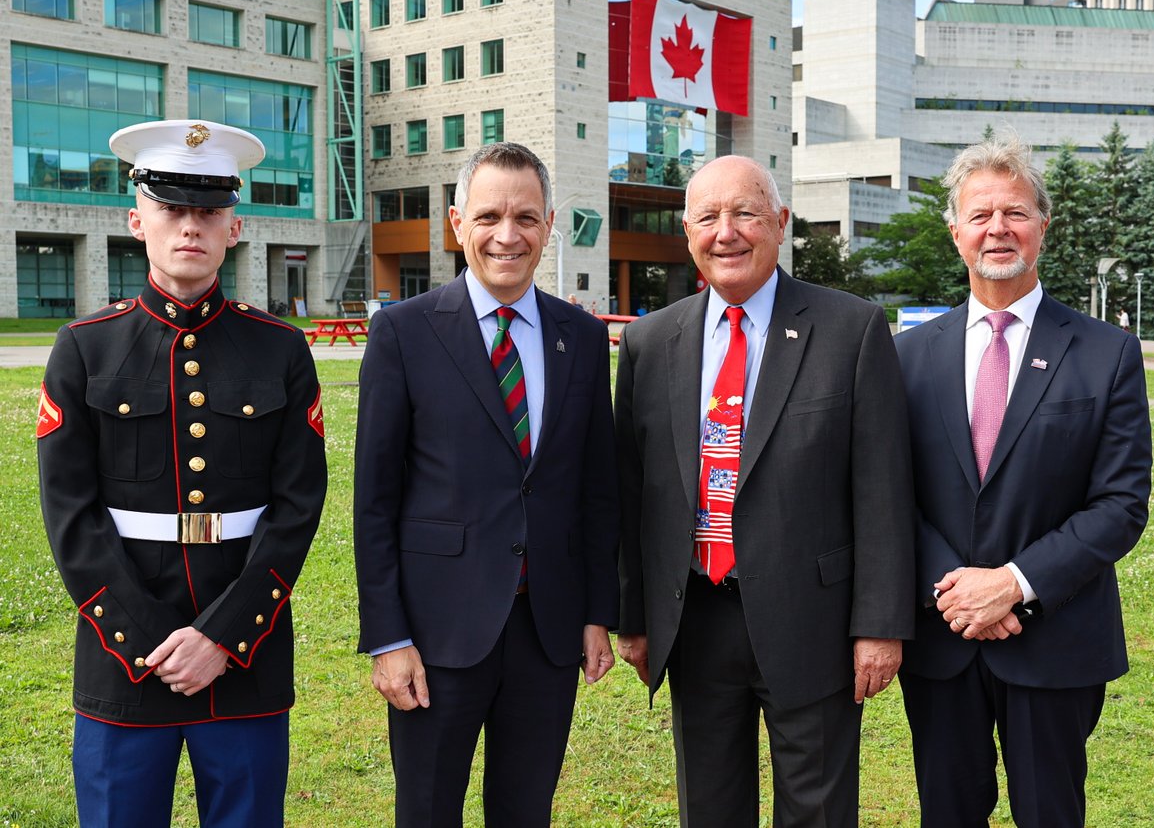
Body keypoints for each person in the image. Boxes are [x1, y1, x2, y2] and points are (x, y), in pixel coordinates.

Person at [37, 119, 327, 827]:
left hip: (245, 662)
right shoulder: (84, 350)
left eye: (208, 211)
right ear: (138, 220)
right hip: (124, 661)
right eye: (171, 208)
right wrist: (150, 644)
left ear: (234, 229)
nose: (189, 226)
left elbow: (297, 508)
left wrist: (223, 637)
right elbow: (71, 518)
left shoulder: (281, 351)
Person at [615, 155, 915, 827]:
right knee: (710, 808)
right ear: (687, 232)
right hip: (696, 617)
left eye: (746, 212)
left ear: (780, 223)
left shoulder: (852, 330)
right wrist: (633, 616)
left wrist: (880, 624)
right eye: (709, 216)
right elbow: (635, 490)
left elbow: (883, 490)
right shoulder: (649, 342)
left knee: (818, 809)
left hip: (815, 619)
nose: (728, 231)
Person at [353, 142, 619, 827]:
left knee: (525, 809)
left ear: (550, 223)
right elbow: (375, 500)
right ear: (456, 222)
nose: (509, 235)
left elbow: (595, 486)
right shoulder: (403, 334)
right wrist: (388, 637)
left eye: (527, 217)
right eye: (490, 215)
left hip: (547, 630)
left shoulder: (582, 337)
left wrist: (598, 610)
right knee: (428, 809)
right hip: (436, 635)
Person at [894, 136, 1152, 827]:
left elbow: (1121, 503)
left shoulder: (1108, 353)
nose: (997, 228)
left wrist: (1012, 582)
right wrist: (954, 589)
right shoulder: (904, 356)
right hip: (941, 638)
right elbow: (888, 494)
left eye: (1015, 211)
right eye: (980, 215)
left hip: (1056, 640)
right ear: (955, 232)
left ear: (1042, 225)